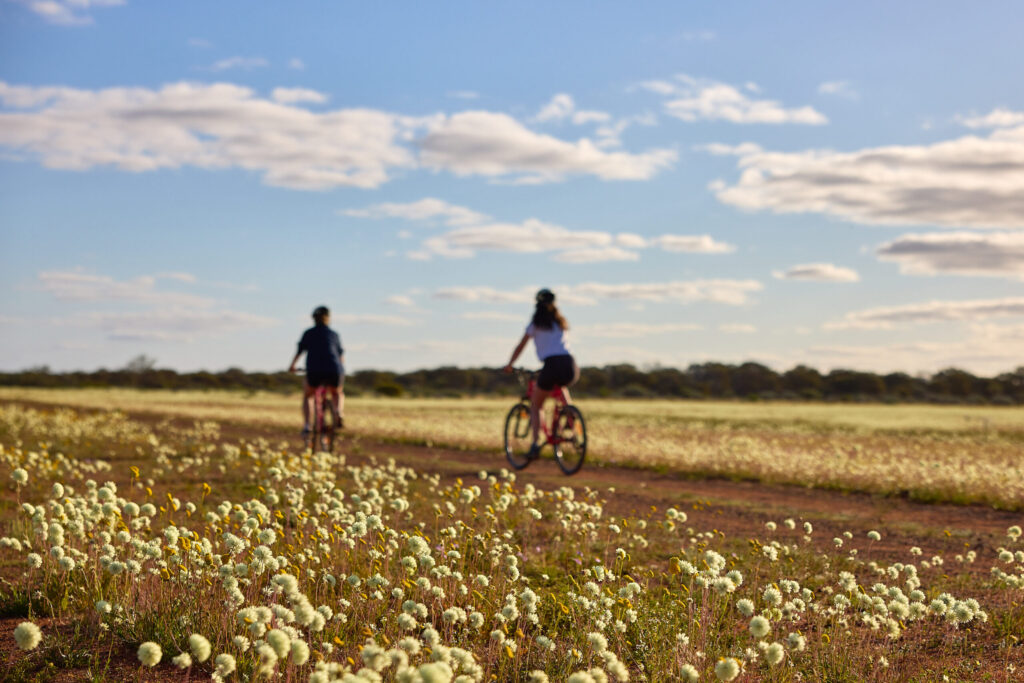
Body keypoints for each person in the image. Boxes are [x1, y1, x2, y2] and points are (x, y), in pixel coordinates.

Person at [503, 289, 579, 459]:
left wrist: (510, 364)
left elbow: (521, 345)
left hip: (551, 364)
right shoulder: (560, 323)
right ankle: (570, 416)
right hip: (570, 364)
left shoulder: (536, 324)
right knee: (561, 387)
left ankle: (535, 444)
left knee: (536, 405)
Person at [289, 305, 344, 434]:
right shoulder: (334, 334)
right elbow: (340, 356)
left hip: (314, 370)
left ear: (314, 319)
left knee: (309, 395)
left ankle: (308, 425)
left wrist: (292, 366)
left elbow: (300, 351)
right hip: (335, 369)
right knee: (337, 392)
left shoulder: (309, 333)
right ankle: (338, 411)